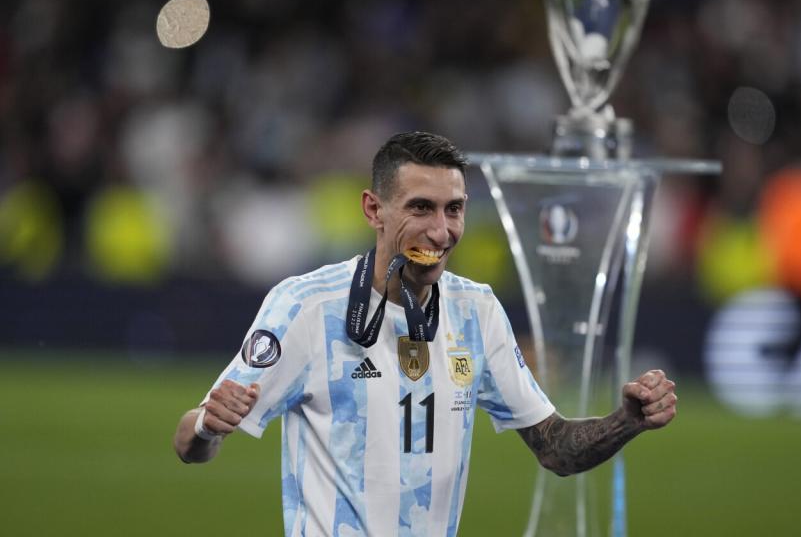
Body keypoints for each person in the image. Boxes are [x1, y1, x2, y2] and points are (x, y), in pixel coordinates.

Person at [173, 130, 677, 536]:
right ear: (374, 210)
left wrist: (625, 421)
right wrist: (206, 428)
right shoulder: (306, 308)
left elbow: (555, 448)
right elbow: (190, 442)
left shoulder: (475, 311)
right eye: (420, 208)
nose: (441, 231)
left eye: (453, 208)